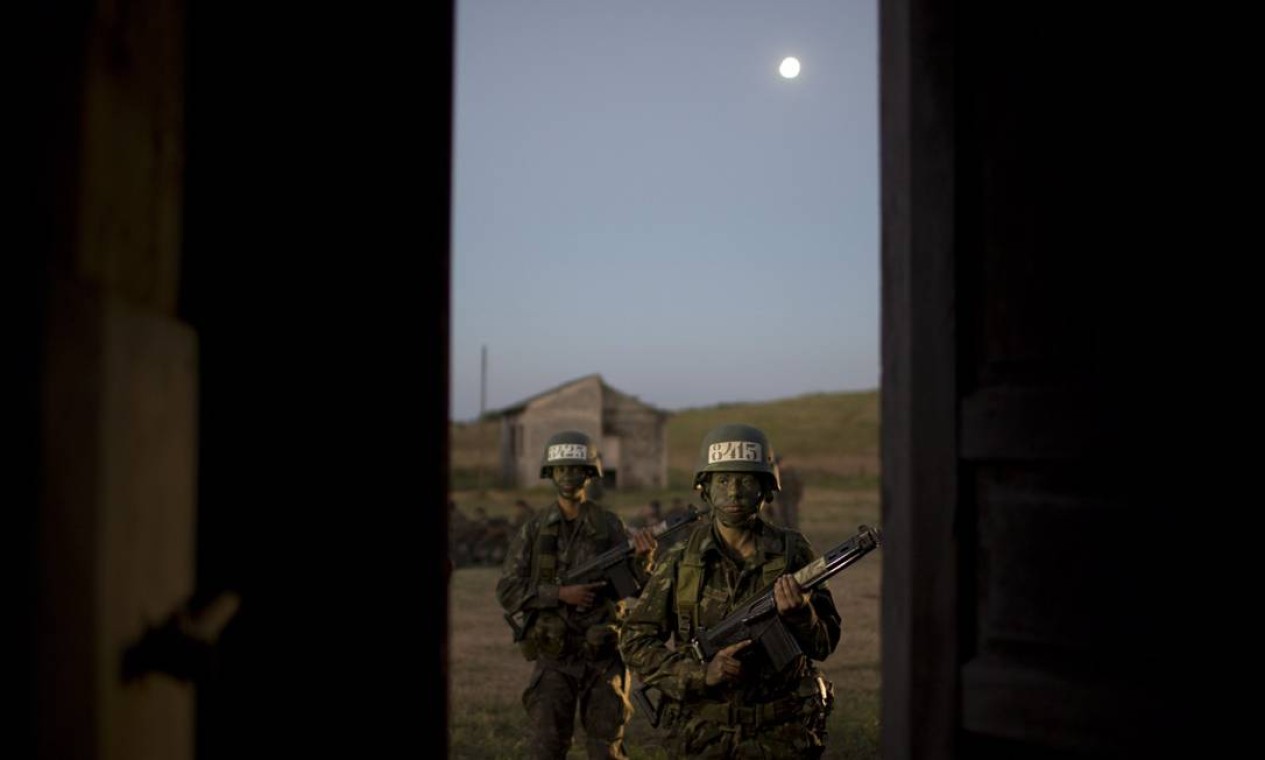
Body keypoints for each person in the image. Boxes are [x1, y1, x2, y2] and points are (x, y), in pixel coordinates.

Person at [618, 423, 841, 758]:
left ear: (766, 489)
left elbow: (824, 644)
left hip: (780, 734)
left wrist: (801, 615)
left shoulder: (793, 551)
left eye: (746, 480)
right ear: (705, 489)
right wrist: (700, 673)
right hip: (701, 735)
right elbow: (635, 640)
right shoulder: (681, 558)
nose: (734, 492)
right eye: (723, 480)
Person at [496, 430, 658, 760]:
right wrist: (559, 593)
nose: (569, 476)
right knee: (547, 747)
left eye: (576, 469)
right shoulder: (535, 527)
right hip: (555, 659)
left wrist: (644, 559)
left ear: (590, 473)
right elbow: (508, 590)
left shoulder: (610, 525)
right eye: (561, 469)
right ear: (550, 474)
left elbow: (637, 589)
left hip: (602, 657)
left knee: (606, 749)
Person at [766, 454, 803, 531]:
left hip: (790, 500)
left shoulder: (790, 473)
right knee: (779, 521)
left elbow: (798, 486)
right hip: (780, 501)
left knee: (791, 520)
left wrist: (798, 499)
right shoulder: (775, 475)